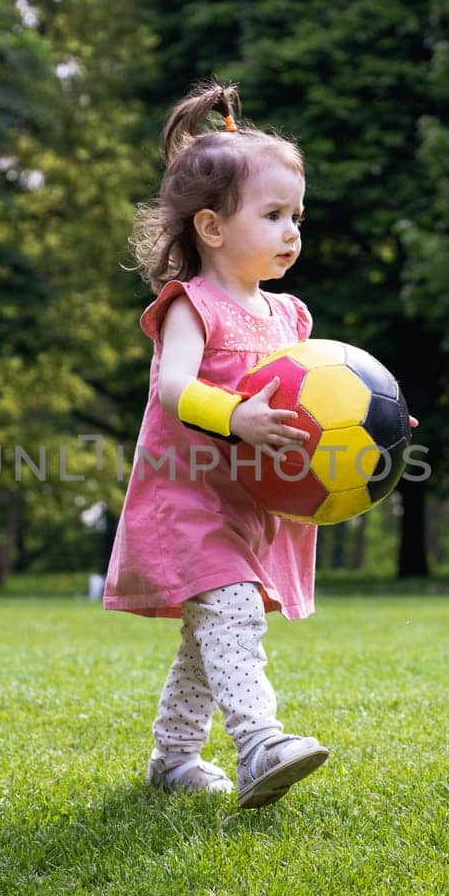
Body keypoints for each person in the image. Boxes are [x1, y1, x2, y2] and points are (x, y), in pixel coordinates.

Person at [102, 80, 327, 808]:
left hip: (253, 502)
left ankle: (172, 759)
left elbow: (323, 395)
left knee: (211, 636)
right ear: (212, 226)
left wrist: (376, 425)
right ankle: (260, 741)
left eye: (297, 214)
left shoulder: (290, 313)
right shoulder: (190, 307)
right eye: (272, 214)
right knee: (227, 614)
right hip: (189, 496)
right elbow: (172, 389)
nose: (292, 230)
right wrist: (236, 417)